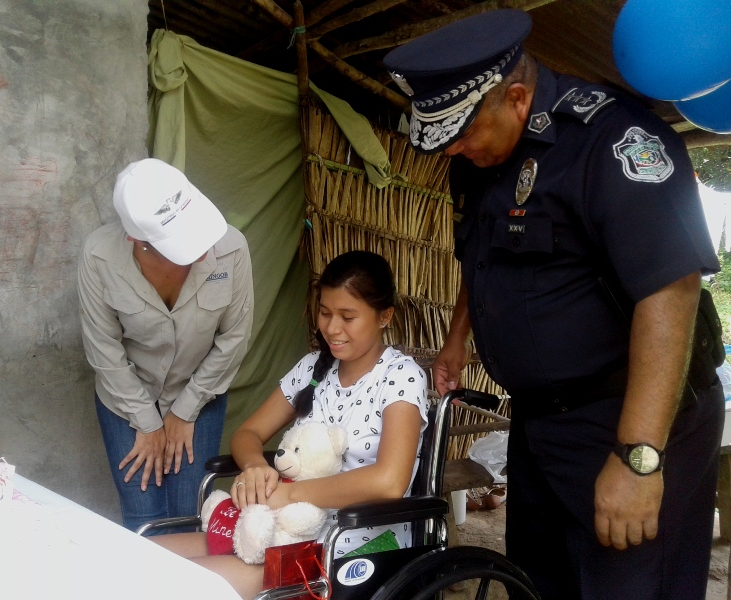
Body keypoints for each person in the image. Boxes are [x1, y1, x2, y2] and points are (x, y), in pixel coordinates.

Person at [384, 9, 724, 600]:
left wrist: (637, 457)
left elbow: (671, 290)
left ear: (517, 99)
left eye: (463, 133)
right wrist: (458, 337)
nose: (454, 150)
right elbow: (482, 259)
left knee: (629, 585)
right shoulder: (478, 159)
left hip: (628, 415)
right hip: (541, 422)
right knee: (540, 582)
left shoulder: (610, 140)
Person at [153, 250, 429, 599]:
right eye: (325, 313)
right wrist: (255, 467)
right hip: (277, 528)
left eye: (348, 316)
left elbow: (389, 482)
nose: (332, 328)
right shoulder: (312, 367)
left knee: (177, 585)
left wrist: (290, 494)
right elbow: (248, 433)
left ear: (384, 316)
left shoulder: (400, 376)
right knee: (142, 554)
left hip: (351, 541)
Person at [78, 158, 254, 532]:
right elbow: (103, 347)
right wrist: (146, 421)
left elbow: (234, 338)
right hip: (126, 396)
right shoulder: (99, 256)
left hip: (200, 390)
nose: (201, 246)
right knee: (144, 515)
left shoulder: (231, 248)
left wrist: (184, 410)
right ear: (137, 240)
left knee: (189, 513)